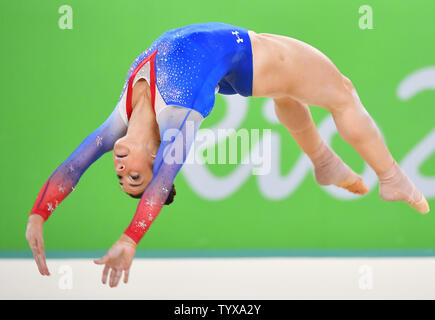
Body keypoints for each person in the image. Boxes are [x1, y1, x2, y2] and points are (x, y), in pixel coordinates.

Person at [25, 22, 430, 288]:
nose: (120, 169)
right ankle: (391, 178)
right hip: (249, 54)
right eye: (134, 177)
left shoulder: (119, 120)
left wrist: (38, 216)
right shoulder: (177, 119)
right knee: (342, 92)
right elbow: (163, 182)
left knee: (287, 92)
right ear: (158, 153)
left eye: (121, 176)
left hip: (235, 60)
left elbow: (73, 167)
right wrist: (130, 240)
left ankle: (323, 162)